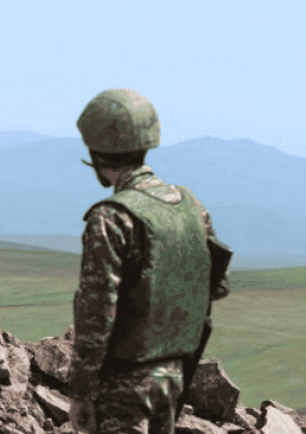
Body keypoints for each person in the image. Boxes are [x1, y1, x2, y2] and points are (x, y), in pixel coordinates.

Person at [67, 88, 230, 434]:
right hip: (173, 375)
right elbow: (217, 286)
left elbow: (97, 314)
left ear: (96, 153)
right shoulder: (190, 205)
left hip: (123, 384)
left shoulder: (111, 217)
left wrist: (81, 393)